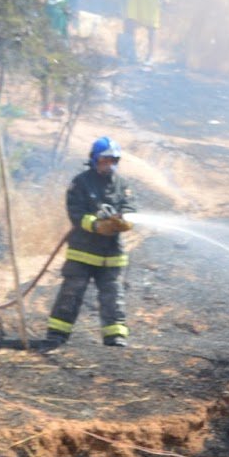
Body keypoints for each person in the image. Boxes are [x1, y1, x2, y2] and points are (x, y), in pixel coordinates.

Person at [47, 137, 135, 348]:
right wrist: (96, 225)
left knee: (113, 296)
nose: (109, 164)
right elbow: (75, 213)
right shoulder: (80, 182)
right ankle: (56, 335)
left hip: (112, 254)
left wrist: (124, 222)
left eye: (113, 160)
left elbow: (131, 209)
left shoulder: (122, 185)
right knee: (71, 293)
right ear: (95, 159)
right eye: (105, 160)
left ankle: (115, 337)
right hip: (83, 252)